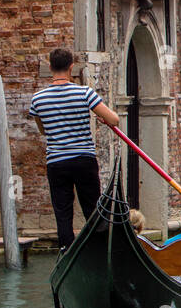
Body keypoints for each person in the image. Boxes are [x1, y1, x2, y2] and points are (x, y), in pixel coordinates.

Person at [29, 48, 119, 253]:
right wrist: (102, 118)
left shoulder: (38, 99)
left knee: (63, 211)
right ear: (71, 67)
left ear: (50, 67)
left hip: (57, 162)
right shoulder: (84, 93)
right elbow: (114, 119)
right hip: (83, 159)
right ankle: (100, 250)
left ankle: (66, 250)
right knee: (92, 209)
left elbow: (43, 130)